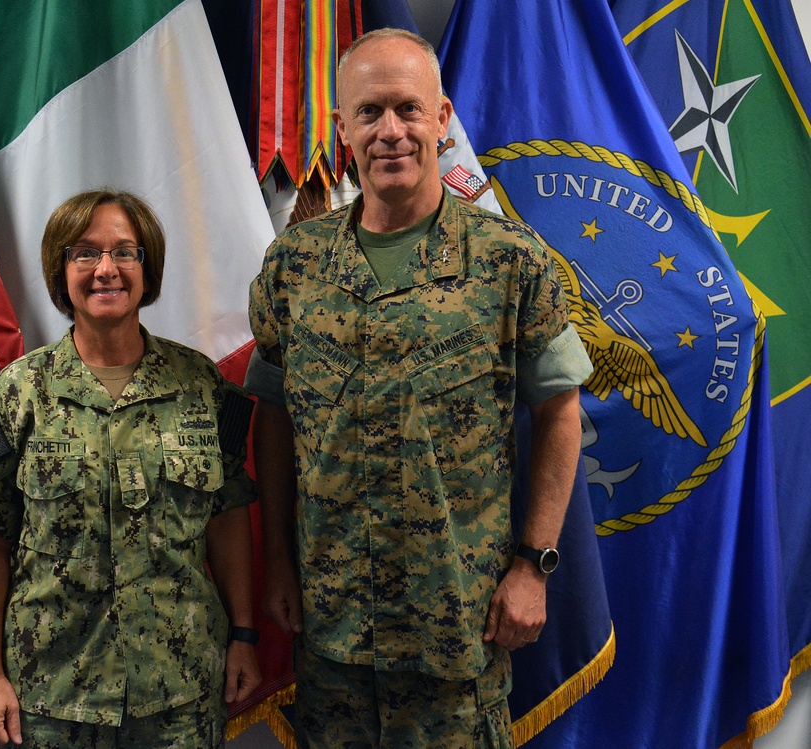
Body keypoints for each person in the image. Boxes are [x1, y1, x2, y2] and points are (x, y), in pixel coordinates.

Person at [246, 28, 592, 748]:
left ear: (442, 117)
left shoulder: (511, 261)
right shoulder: (294, 266)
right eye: (369, 114)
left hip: (457, 635)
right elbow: (274, 418)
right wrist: (278, 557)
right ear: (342, 129)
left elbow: (560, 413)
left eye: (408, 109)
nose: (391, 132)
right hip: (333, 635)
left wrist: (535, 564)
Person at [0, 190, 261, 749]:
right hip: (52, 696)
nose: (106, 269)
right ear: (60, 270)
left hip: (180, 690)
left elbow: (227, 515)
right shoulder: (17, 395)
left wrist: (243, 633)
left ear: (149, 268)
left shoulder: (202, 388)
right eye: (85, 253)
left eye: (126, 252)